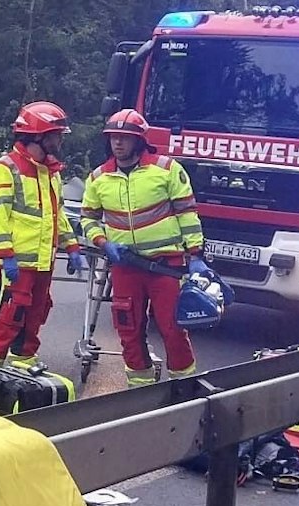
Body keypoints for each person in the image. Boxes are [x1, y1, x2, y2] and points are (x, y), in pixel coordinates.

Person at [80, 108, 210, 387]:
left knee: (173, 328)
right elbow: (88, 219)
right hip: (126, 266)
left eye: (124, 138)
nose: (118, 143)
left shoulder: (166, 169)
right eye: (114, 137)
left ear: (139, 140)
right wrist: (103, 242)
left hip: (167, 266)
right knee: (128, 329)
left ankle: (184, 386)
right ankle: (140, 389)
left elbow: (187, 213)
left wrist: (196, 254)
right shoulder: (98, 178)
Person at [0, 100, 83, 408]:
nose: (60, 141)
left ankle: (21, 372)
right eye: (56, 135)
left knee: (35, 318)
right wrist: (6, 255)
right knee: (8, 322)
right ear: (39, 136)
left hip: (42, 262)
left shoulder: (51, 172)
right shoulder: (5, 170)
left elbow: (57, 214)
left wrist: (71, 245)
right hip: (17, 265)